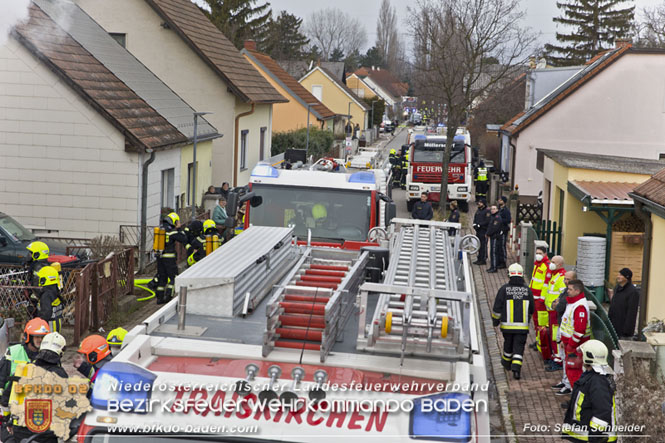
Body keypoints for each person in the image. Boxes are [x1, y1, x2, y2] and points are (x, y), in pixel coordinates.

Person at [7, 332, 67, 443]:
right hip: (45, 433)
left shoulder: (23, 369)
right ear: (61, 352)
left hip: (20, 430)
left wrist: (8, 421)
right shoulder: (60, 375)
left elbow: (7, 397)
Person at [0, 318, 49, 438]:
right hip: (12, 414)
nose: (40, 340)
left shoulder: (49, 356)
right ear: (28, 337)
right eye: (37, 337)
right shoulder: (14, 352)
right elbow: (1, 381)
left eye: (43, 337)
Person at [562, 340, 617, 443]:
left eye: (582, 355)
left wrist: (595, 437)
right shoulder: (591, 376)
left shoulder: (598, 382)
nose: (580, 357)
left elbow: (602, 412)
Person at [492, 263, 534, 380]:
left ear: (509, 274)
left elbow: (497, 308)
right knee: (518, 347)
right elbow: (532, 309)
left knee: (508, 344)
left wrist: (495, 321)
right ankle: (516, 370)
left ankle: (506, 363)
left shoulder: (504, 289)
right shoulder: (527, 290)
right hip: (522, 328)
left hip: (507, 327)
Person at [559, 279, 592, 394]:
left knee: (574, 372)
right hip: (570, 344)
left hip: (576, 346)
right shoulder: (573, 303)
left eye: (570, 289)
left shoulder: (580, 307)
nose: (567, 291)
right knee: (570, 370)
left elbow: (579, 330)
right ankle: (574, 395)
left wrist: (571, 346)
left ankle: (576, 397)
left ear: (577, 291)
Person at [551, 270, 578, 394]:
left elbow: (560, 306)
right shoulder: (564, 291)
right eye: (565, 279)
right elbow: (554, 304)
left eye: (568, 279)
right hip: (562, 327)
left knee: (567, 358)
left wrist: (557, 304)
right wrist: (556, 304)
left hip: (567, 331)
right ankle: (564, 380)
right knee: (562, 356)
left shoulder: (571, 295)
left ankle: (568, 384)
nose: (566, 281)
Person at [155, 212, 187, 305]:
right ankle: (168, 297)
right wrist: (179, 228)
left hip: (160, 258)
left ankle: (159, 299)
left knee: (162, 278)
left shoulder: (160, 230)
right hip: (169, 259)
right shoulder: (172, 231)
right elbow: (184, 239)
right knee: (173, 278)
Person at [544, 255, 567, 372]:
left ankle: (558, 360)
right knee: (553, 335)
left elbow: (562, 296)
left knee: (556, 336)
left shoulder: (562, 277)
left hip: (556, 312)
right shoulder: (555, 275)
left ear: (560, 264)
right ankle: (555, 357)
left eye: (553, 262)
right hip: (551, 311)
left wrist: (556, 305)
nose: (550, 264)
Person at [530, 247, 552, 355]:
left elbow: (546, 284)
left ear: (545, 254)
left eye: (540, 253)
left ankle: (540, 342)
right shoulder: (537, 264)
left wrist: (542, 298)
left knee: (541, 321)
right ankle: (538, 340)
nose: (538, 255)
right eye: (537, 252)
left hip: (540, 299)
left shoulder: (546, 266)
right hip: (534, 297)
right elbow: (534, 280)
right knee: (535, 321)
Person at [607, 268, 640, 339]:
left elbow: (632, 313)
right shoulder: (617, 288)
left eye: (621, 275)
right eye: (618, 274)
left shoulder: (633, 292)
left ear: (627, 277)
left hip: (623, 331)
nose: (618, 276)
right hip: (613, 327)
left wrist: (627, 331)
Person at [24, 241, 50, 317]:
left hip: (37, 301)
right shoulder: (43, 265)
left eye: (31, 253)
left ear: (37, 254)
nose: (28, 255)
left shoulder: (38, 267)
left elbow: (35, 287)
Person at [36, 266, 63, 333]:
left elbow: (46, 313)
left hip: (49, 329)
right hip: (56, 326)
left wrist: (38, 321)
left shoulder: (46, 295)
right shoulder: (55, 291)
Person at [473, 199, 491, 265]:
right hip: (478, 230)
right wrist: (475, 224)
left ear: (483, 203)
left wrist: (480, 225)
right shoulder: (479, 210)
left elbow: (487, 221)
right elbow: (475, 218)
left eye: (480, 202)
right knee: (479, 244)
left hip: (484, 230)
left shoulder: (487, 211)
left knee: (483, 245)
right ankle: (479, 258)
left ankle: (483, 259)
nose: (479, 203)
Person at [486, 205, 502, 273]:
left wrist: (488, 233)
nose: (492, 210)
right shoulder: (493, 217)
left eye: (494, 209)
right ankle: (492, 266)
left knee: (494, 252)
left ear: (497, 210)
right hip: (492, 236)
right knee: (492, 252)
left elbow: (494, 228)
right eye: (492, 209)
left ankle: (494, 267)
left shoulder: (497, 218)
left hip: (495, 237)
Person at [498, 196, 511, 269]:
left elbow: (508, 220)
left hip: (503, 230)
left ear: (503, 201)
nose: (499, 201)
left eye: (500, 200)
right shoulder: (499, 209)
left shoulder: (506, 211)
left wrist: (500, 220)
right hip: (498, 230)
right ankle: (499, 261)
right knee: (498, 246)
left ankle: (503, 262)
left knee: (502, 246)